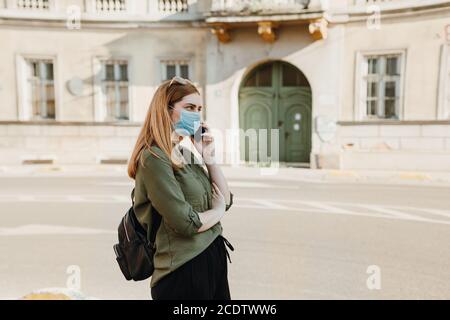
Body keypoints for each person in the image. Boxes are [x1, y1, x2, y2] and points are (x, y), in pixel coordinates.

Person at [127, 76, 234, 300]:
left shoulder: (184, 153)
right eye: (189, 107)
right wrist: (217, 212)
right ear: (166, 110)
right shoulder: (154, 158)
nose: (195, 114)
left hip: (212, 261)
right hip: (184, 271)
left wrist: (208, 158)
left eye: (199, 108)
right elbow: (185, 223)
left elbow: (225, 198)